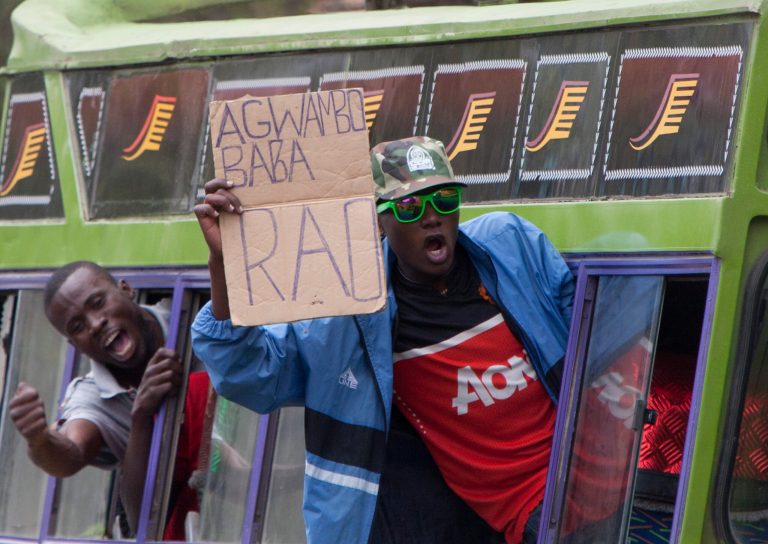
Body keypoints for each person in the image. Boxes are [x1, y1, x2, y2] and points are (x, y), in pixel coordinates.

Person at [191, 136, 574, 543]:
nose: (432, 217)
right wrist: (224, 264)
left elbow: (592, 339)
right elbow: (249, 374)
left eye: (443, 199)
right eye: (409, 206)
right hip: (519, 519)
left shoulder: (512, 245)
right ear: (377, 222)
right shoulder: (347, 321)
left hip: (598, 479)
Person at [8, 261, 208, 540]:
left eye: (98, 302)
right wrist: (39, 439)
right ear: (73, 345)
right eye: (77, 326)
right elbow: (70, 454)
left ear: (126, 289)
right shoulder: (92, 398)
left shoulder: (197, 314)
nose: (96, 323)